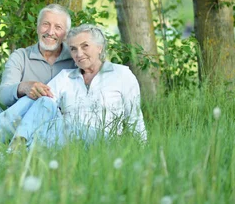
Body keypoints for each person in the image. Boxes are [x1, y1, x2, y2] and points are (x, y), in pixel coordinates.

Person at [0, 4, 76, 141]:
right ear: (37, 28)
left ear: (66, 34)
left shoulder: (75, 60)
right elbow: (3, 96)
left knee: (39, 98)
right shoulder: (21, 56)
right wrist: (24, 87)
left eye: (58, 27)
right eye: (45, 24)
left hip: (48, 126)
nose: (50, 31)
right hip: (10, 120)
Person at [16, 24, 147, 147]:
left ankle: (11, 148)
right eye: (73, 49)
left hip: (103, 140)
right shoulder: (65, 77)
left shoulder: (121, 73)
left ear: (99, 47)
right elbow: (42, 106)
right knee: (42, 101)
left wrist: (143, 151)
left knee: (58, 126)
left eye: (85, 46)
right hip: (67, 139)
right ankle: (14, 148)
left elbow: (134, 117)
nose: (79, 54)